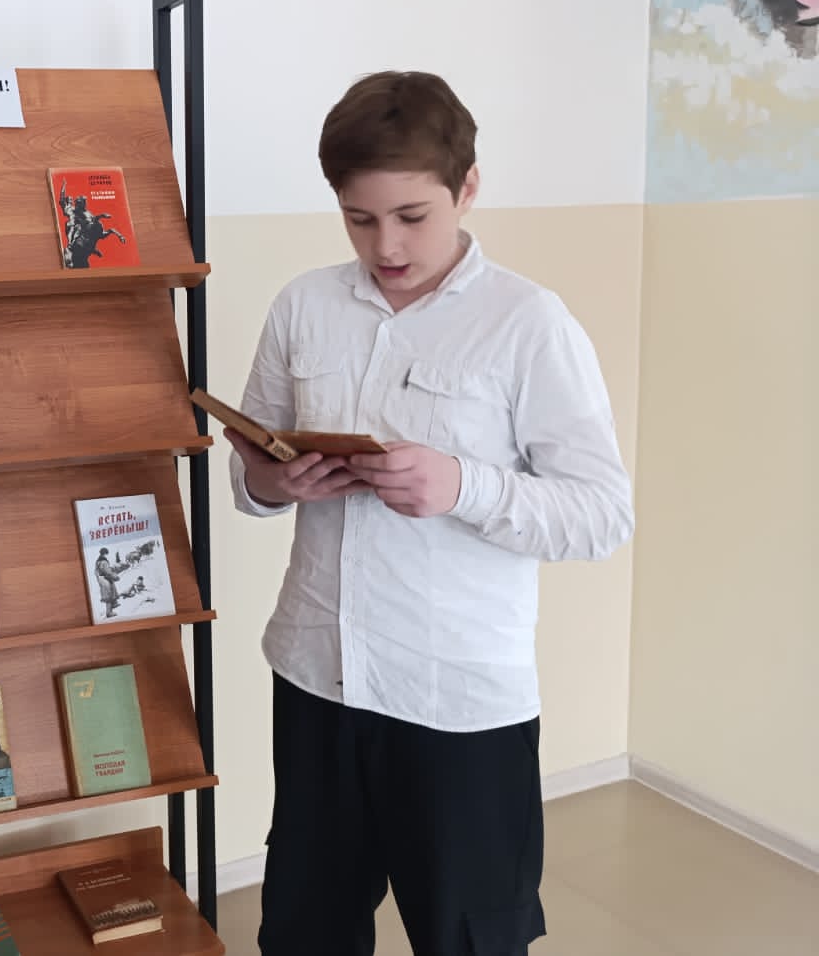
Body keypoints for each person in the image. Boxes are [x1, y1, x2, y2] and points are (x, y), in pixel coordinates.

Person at [226, 72, 634, 956]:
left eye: (412, 216)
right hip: (316, 677)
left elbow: (602, 513)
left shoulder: (528, 323)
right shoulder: (303, 305)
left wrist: (464, 487)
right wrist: (274, 484)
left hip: (458, 703)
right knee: (303, 932)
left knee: (468, 940)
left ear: (467, 186)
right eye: (359, 219)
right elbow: (250, 469)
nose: (387, 245)